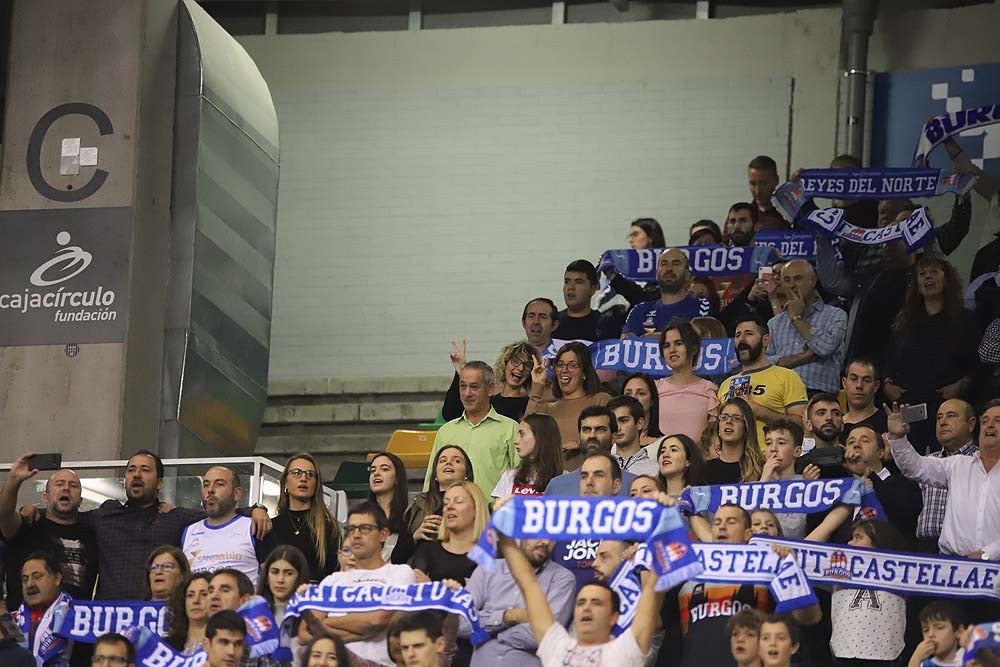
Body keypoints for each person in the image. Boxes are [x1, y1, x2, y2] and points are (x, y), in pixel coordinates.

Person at [69, 450, 268, 600]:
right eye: (131, 470)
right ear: (125, 480)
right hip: (110, 621)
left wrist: (255, 510)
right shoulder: (104, 516)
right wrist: (37, 512)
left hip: (158, 619)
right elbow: (63, 519)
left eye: (145, 470)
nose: (137, 475)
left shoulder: (174, 518)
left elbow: (217, 513)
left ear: (159, 484)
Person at [497, 495, 668, 667]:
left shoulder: (626, 650)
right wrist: (504, 532)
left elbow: (652, 593)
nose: (586, 607)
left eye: (596, 603)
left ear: (613, 617)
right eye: (580, 602)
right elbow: (527, 582)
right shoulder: (558, 647)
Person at [669, 505, 820, 667]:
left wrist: (792, 571)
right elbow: (665, 627)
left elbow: (810, 617)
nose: (721, 526)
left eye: (731, 521)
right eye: (717, 522)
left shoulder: (767, 573)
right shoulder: (688, 578)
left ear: (748, 534)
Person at [301, 503, 416, 666]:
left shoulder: (401, 573)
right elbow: (304, 634)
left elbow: (377, 620)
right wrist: (362, 632)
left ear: (383, 534)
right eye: (351, 529)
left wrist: (322, 625)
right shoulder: (332, 581)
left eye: (364, 528)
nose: (355, 535)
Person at [885, 400, 1000, 561]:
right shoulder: (957, 464)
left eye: (998, 421)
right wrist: (897, 438)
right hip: (949, 567)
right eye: (986, 421)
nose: (989, 425)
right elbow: (915, 467)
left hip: (995, 569)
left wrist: (987, 554)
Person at [884, 255, 979, 447]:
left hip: (945, 404)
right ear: (917, 284)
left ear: (947, 279)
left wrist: (961, 384)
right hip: (909, 404)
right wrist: (887, 383)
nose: (928, 277)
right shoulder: (905, 321)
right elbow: (889, 357)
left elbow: (976, 363)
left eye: (934, 272)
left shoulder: (964, 320)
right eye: (922, 274)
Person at [458, 538, 575, 667]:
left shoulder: (562, 579)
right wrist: (509, 616)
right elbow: (460, 622)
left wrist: (489, 631)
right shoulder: (487, 570)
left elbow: (545, 635)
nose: (546, 542)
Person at [0, 456, 97, 608]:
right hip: (24, 625)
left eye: (73, 485)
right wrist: (14, 480)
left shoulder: (93, 535)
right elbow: (3, 515)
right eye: (59, 484)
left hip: (73, 626)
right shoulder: (28, 525)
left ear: (80, 501)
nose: (66, 488)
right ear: (45, 497)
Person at [424, 361, 519, 500]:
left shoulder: (510, 428)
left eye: (474, 387)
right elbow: (431, 480)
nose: (467, 393)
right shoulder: (445, 431)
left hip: (494, 515)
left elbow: (520, 477)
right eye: (463, 386)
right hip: (453, 513)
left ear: (490, 389)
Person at [717, 318, 808, 448]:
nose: (741, 340)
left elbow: (802, 424)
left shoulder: (787, 376)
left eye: (749, 333)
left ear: (765, 340)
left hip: (771, 458)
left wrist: (761, 412)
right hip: (733, 461)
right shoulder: (726, 384)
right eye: (738, 335)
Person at [830, 520, 909, 666]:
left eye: (858, 537)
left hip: (885, 655)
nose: (850, 543)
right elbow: (804, 555)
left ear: (878, 542)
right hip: (844, 654)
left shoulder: (901, 573)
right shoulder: (837, 570)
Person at [765, 260, 847, 395]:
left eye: (797, 278)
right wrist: (807, 355)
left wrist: (796, 318)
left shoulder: (835, 315)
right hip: (781, 395)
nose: (792, 285)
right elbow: (767, 365)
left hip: (819, 396)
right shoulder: (774, 323)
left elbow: (825, 348)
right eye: (786, 280)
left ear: (813, 281)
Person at [527, 342, 612, 466]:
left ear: (584, 373)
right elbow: (526, 434)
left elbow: (615, 435)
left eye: (572, 365)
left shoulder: (600, 401)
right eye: (560, 365)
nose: (564, 370)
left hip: (590, 476)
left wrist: (581, 443)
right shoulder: (547, 408)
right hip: (551, 480)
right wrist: (537, 386)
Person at [551, 453, 627, 588]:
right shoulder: (559, 527)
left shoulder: (628, 529)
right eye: (584, 476)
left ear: (616, 486)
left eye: (599, 475)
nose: (589, 482)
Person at [183, 466, 267, 586]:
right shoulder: (187, 532)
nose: (210, 490)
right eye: (206, 485)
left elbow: (272, 576)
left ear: (237, 494)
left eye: (219, 484)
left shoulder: (253, 527)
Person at [915, 400, 979, 552]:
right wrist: (897, 438)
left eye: (951, 416)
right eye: (939, 418)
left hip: (966, 551)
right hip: (925, 550)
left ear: (970, 424)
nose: (942, 422)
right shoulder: (927, 462)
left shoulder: (982, 462)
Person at [266, 453, 340, 583]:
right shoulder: (271, 526)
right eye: (296, 472)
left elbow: (334, 574)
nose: (304, 478)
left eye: (310, 474)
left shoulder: (328, 526)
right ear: (285, 483)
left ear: (316, 485)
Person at [843, 425, 923, 542]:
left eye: (865, 440)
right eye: (851, 442)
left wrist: (869, 474)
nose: (856, 445)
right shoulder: (843, 490)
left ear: (881, 453)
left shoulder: (904, 483)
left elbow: (903, 518)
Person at [544, 406, 636, 497]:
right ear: (579, 437)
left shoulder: (634, 485)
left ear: (614, 437)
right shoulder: (556, 486)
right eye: (586, 430)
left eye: (600, 429)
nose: (592, 435)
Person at [621, 249, 713, 338]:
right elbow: (626, 342)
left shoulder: (700, 305)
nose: (669, 268)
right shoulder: (640, 310)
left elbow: (700, 336)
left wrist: (651, 338)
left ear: (687, 275)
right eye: (664, 264)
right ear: (657, 274)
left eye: (676, 264)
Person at [410, 481, 487, 584]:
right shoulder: (427, 550)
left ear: (476, 508)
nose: (449, 506)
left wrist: (433, 586)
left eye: (458, 501)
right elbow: (416, 589)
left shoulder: (493, 552)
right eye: (446, 503)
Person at [656, 320, 719, 442]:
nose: (672, 350)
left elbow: (712, 438)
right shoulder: (655, 388)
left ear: (694, 349)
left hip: (698, 460)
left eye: (678, 343)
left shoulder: (709, 390)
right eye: (666, 345)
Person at [441, 340, 534, 423]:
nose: (521, 368)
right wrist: (460, 372)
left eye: (527, 365)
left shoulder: (530, 404)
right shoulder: (488, 400)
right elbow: (451, 415)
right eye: (515, 361)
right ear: (505, 363)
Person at [406, 445, 473, 543]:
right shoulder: (418, 505)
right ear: (435, 475)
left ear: (466, 474)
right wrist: (416, 535)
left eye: (457, 461)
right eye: (442, 461)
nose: (448, 463)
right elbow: (397, 555)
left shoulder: (477, 506)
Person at [16, 552, 72, 667]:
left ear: (57, 579)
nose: (29, 584)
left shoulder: (76, 616)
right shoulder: (12, 618)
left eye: (37, 577)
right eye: (25, 579)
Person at [492, 413, 563, 499]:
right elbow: (499, 510)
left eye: (522, 434)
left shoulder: (566, 479)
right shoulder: (509, 477)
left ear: (540, 437)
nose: (516, 441)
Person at [759, 419, 810, 539]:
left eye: (781, 443)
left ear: (797, 451)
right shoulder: (754, 484)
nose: (773, 449)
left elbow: (793, 531)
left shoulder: (804, 485)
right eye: (768, 443)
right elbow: (746, 528)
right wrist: (764, 480)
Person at [367, 452, 416, 563]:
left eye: (384, 469)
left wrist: (413, 539)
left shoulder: (410, 514)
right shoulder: (362, 515)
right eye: (373, 470)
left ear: (397, 478)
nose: (376, 474)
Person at [705, 398, 765, 485]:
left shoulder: (761, 468)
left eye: (736, 418)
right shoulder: (703, 470)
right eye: (724, 417)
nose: (729, 421)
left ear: (746, 427)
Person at [557, 260, 618, 341]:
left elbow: (638, 302)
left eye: (578, 282)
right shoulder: (552, 323)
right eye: (567, 281)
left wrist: (614, 277)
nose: (570, 287)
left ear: (593, 288)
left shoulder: (605, 325)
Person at [796, 393, 848, 479]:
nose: (829, 418)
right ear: (809, 424)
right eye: (821, 413)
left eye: (836, 413)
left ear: (842, 425)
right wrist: (805, 486)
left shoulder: (854, 461)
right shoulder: (799, 466)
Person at [259, 545, 310, 628]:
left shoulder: (310, 613)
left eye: (289, 573)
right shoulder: (254, 612)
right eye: (275, 572)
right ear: (267, 576)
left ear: (299, 577)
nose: (280, 580)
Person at [608, 395, 659, 476]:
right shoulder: (601, 467)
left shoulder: (656, 470)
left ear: (640, 423)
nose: (617, 428)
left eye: (623, 421)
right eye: (613, 422)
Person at [908, 600, 968, 667]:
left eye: (939, 628)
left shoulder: (972, 662)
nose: (930, 634)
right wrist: (915, 659)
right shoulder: (921, 665)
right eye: (926, 630)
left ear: (959, 631)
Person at [165, 572, 212, 655]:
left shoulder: (224, 644)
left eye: (204, 594)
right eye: (190, 595)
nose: (196, 601)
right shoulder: (167, 646)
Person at [842, 357, 888, 438]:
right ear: (844, 383)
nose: (859, 385)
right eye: (853, 379)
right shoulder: (836, 425)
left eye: (866, 380)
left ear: (876, 386)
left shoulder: (888, 423)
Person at [747, 156, 788, 232]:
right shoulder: (740, 217)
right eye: (753, 184)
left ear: (776, 180)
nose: (758, 191)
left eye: (763, 184)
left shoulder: (790, 213)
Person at [622, 373, 664, 446]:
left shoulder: (663, 443)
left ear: (652, 400)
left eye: (641, 393)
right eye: (628, 394)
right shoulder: (613, 440)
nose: (634, 397)